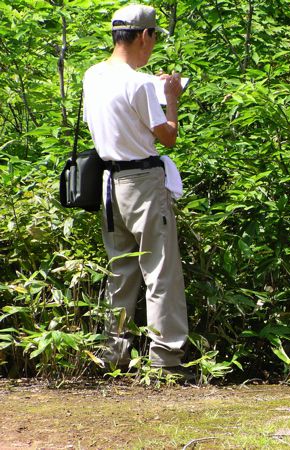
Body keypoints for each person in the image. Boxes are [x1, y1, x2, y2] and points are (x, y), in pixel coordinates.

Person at [83, 4, 191, 380]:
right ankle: (166, 359)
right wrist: (172, 95)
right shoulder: (140, 83)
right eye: (154, 36)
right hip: (143, 183)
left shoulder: (93, 76)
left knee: (121, 269)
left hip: (108, 183)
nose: (153, 44)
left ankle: (114, 353)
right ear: (144, 35)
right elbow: (168, 137)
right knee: (160, 270)